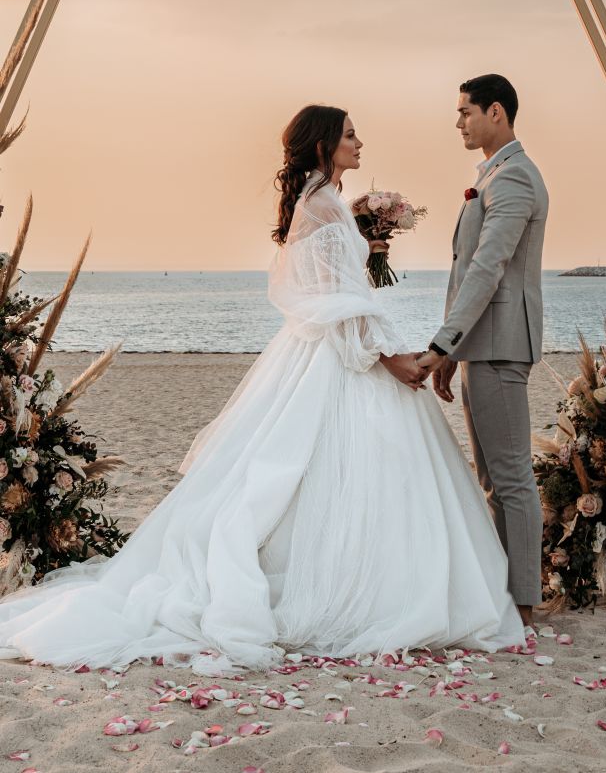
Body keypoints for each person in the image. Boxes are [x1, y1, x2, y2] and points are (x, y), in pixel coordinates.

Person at [0, 104, 524, 676]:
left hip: (326, 353)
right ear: (323, 144)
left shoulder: (321, 203)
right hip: (335, 359)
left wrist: (368, 258)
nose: (360, 142)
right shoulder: (322, 206)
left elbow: (340, 293)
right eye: (350, 135)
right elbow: (338, 304)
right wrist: (395, 357)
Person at [418, 75, 548, 632]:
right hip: (480, 346)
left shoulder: (515, 175)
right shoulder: (492, 173)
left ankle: (522, 603)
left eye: (466, 111)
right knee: (492, 477)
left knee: (512, 477)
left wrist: (443, 342)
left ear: (496, 111)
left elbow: (487, 266)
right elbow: (466, 269)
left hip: (499, 346)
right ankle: (504, 592)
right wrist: (454, 351)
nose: (459, 122)